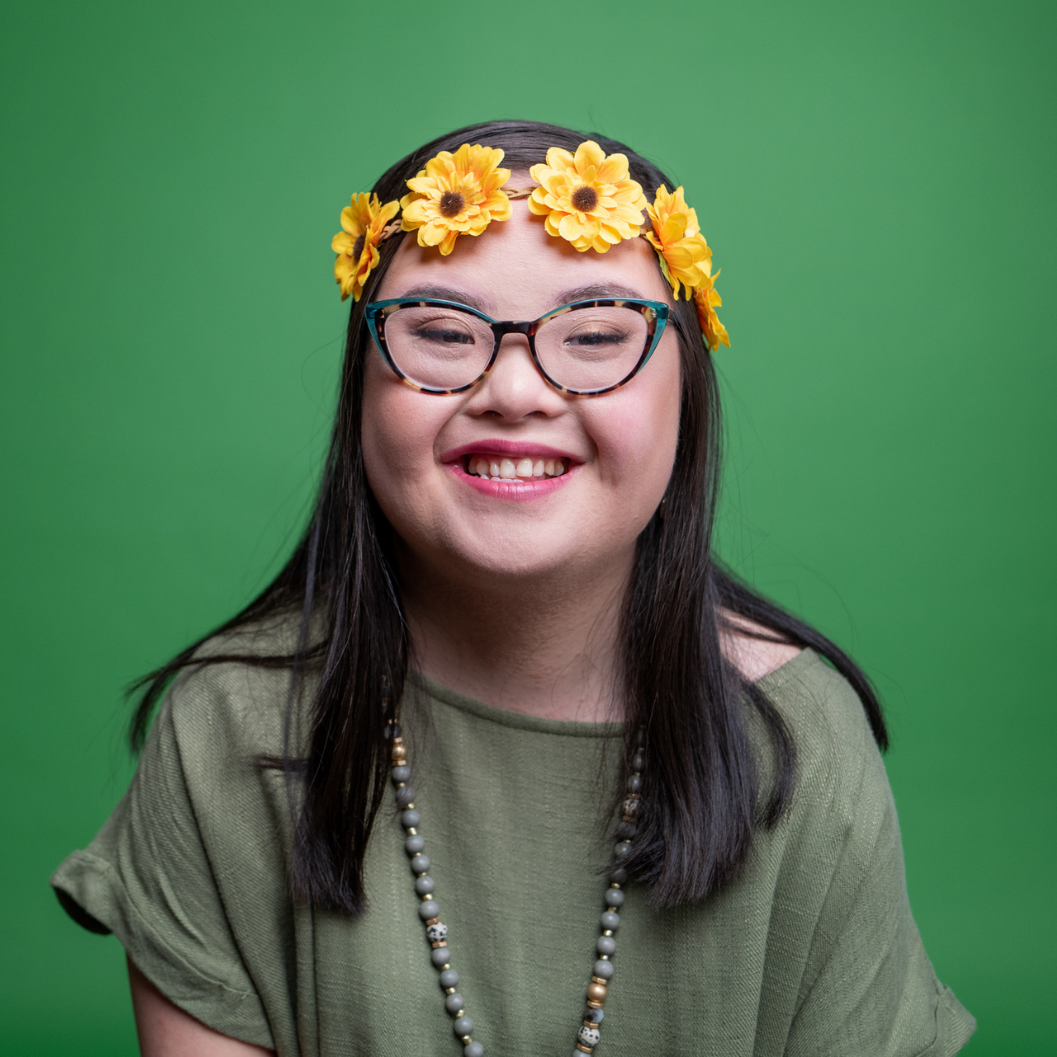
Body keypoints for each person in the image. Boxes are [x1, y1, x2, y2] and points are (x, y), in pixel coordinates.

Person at [52, 120, 976, 1057]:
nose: (514, 389)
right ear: (360, 387)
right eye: (445, 333)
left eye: (595, 335)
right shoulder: (230, 730)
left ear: (685, 389)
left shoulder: (796, 742)